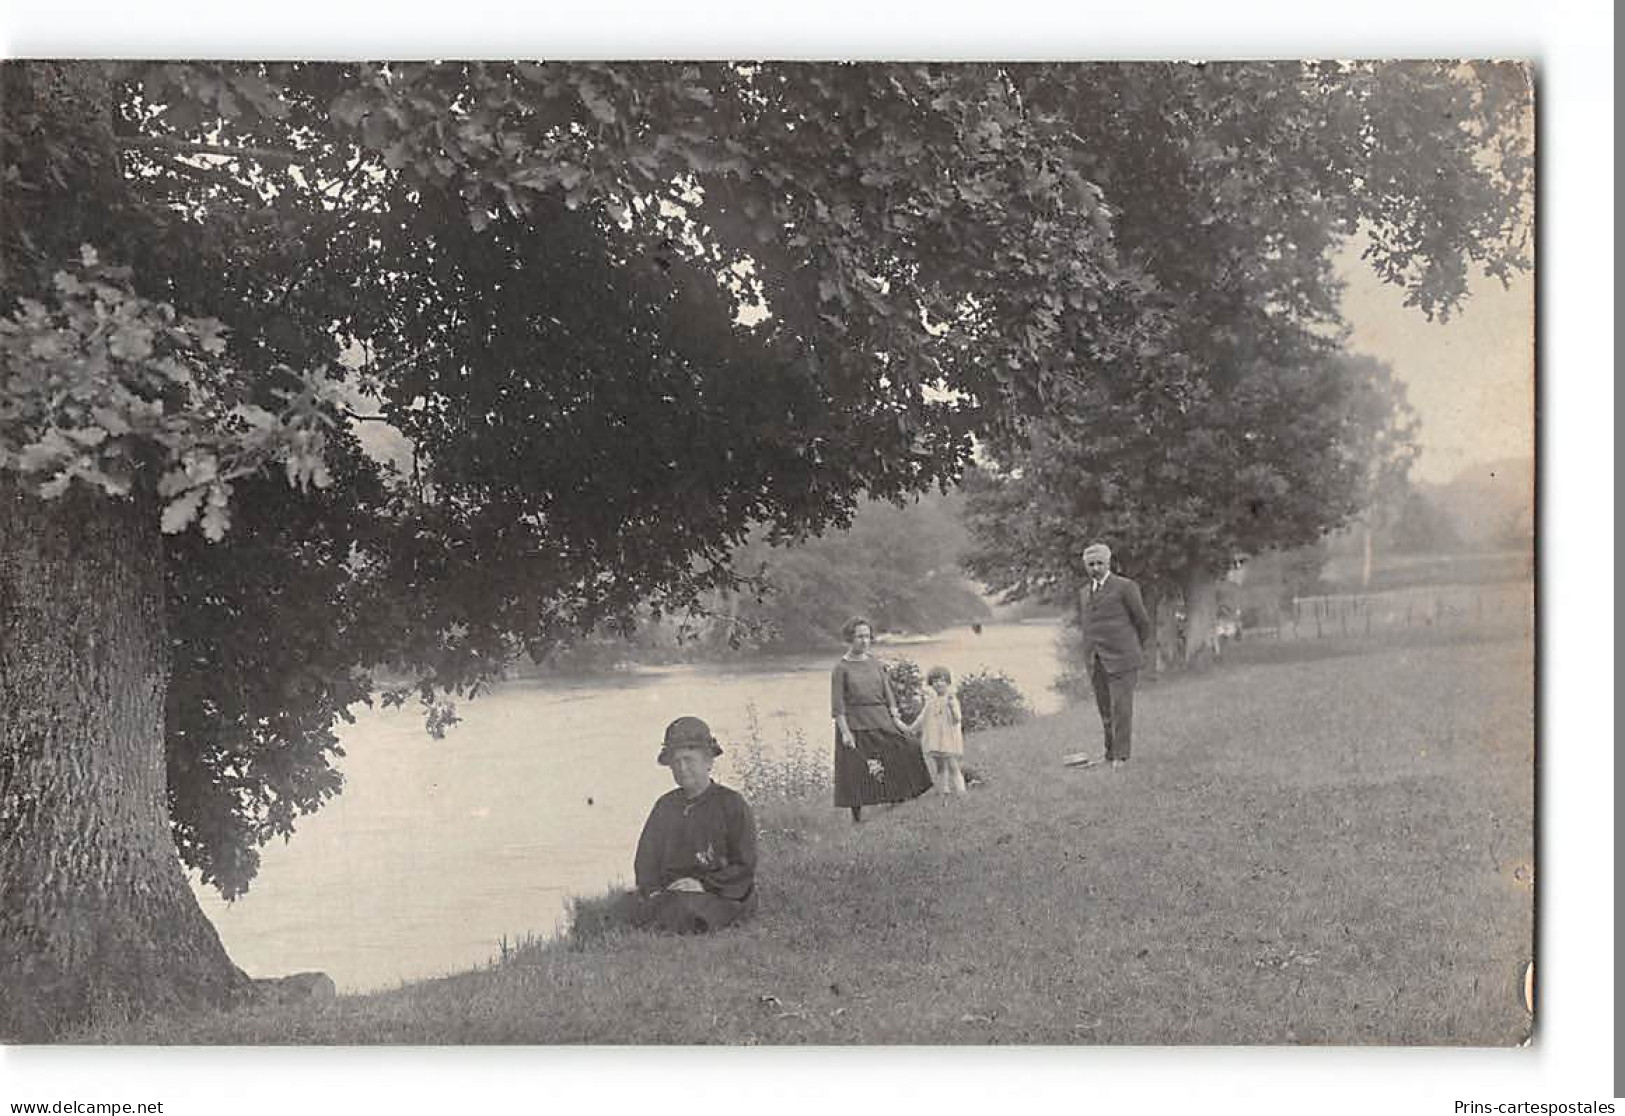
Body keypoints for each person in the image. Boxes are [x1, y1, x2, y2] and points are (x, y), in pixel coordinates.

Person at [620, 716, 757, 934]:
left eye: (689, 760)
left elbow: (744, 865)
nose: (682, 769)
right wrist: (654, 890)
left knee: (687, 909)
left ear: (708, 761)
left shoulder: (731, 805)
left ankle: (669, 920)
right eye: (676, 762)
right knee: (624, 906)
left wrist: (703, 885)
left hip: (716, 894)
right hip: (670, 893)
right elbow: (646, 861)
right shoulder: (665, 806)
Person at [830, 616, 935, 822]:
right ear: (850, 639)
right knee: (856, 770)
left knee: (908, 747)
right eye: (859, 637)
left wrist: (896, 718)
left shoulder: (875, 664)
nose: (864, 641)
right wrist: (845, 732)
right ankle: (857, 816)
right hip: (856, 724)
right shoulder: (841, 669)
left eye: (867, 636)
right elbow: (837, 705)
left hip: (882, 719)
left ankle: (899, 797)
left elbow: (888, 693)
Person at [1074, 542, 1153, 771]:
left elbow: (1142, 622)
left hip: (1123, 659)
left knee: (1121, 709)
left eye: (1099, 563)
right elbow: (1087, 626)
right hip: (1096, 660)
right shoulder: (1083, 593)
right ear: (1086, 567)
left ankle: (1122, 757)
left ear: (1108, 563)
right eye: (1091, 565)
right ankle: (1109, 754)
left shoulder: (1125, 587)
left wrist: (1132, 648)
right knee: (1105, 710)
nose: (1095, 568)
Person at [906, 665, 967, 797]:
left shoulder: (951, 700)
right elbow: (922, 718)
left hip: (949, 738)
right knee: (940, 767)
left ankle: (961, 791)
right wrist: (910, 728)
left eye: (941, 680)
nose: (938, 684)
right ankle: (943, 790)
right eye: (935, 681)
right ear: (931, 684)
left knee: (953, 766)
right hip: (936, 739)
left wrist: (951, 707)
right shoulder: (931, 702)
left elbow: (957, 719)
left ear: (948, 682)